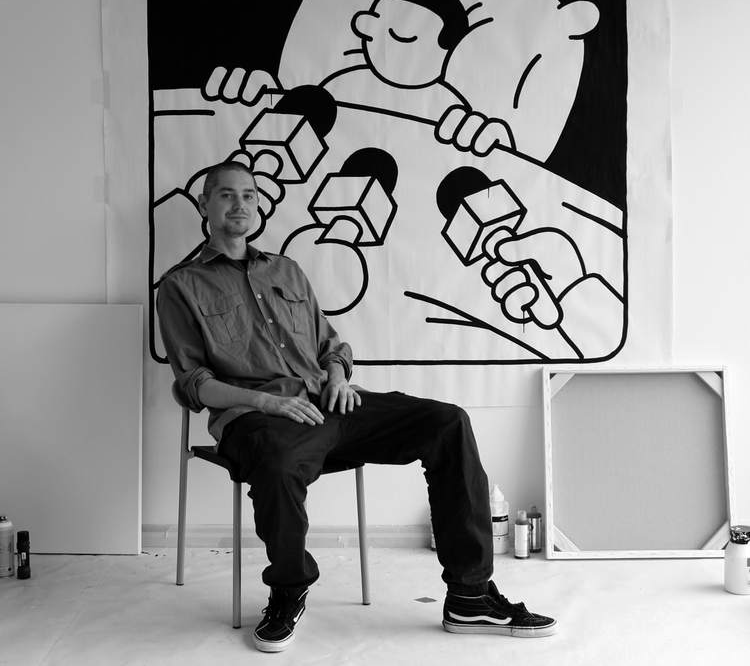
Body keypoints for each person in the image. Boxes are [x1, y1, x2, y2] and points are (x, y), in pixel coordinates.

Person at [157, 160, 558, 653]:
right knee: (276, 464)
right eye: (226, 195)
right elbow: (194, 384)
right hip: (256, 417)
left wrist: (338, 377)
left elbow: (330, 345)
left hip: (329, 404)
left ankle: (469, 596)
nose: (239, 205)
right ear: (204, 205)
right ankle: (288, 590)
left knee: (447, 422)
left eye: (249, 194)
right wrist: (264, 401)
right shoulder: (180, 285)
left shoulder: (286, 270)